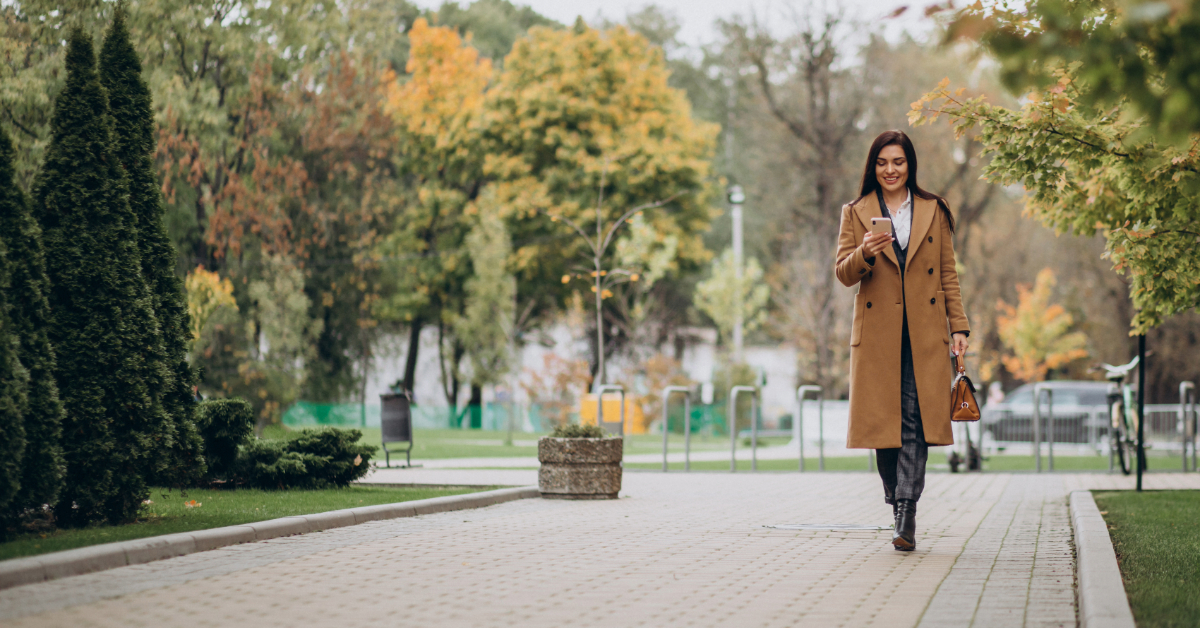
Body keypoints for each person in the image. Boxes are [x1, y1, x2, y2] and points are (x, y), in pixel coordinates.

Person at [834, 130, 971, 551]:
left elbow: (948, 273)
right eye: (882, 163)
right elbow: (843, 272)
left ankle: (906, 511)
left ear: (910, 165)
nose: (890, 170)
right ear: (872, 167)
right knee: (884, 427)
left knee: (914, 422)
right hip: (878, 335)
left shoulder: (934, 210)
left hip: (924, 330)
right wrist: (867, 251)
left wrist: (960, 327)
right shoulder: (856, 212)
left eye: (898, 162)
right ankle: (895, 499)